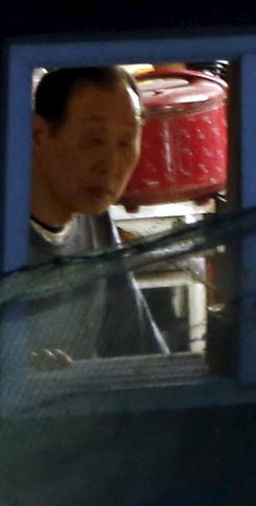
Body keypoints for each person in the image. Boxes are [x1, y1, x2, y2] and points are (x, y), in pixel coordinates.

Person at [24, 66, 167, 360]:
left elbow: (140, 351)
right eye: (94, 140)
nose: (111, 164)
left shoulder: (94, 219)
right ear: (39, 135)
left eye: (126, 143)